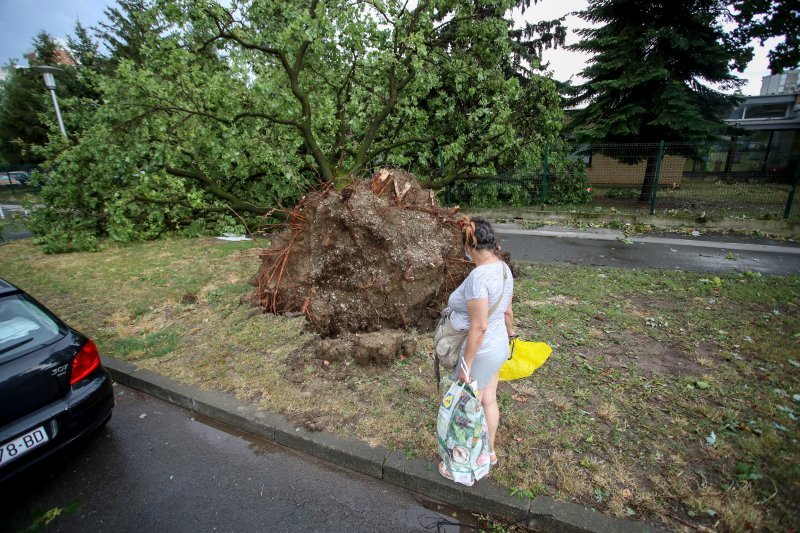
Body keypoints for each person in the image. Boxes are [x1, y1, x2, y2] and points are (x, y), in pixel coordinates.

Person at [439, 216, 515, 480]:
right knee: (488, 399)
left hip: (480, 353)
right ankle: (490, 452)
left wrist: (466, 365)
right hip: (498, 347)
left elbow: (479, 326)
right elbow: (507, 310)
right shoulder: (504, 269)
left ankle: (464, 465)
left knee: (467, 409)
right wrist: (511, 334)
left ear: (469, 246)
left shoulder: (478, 277)